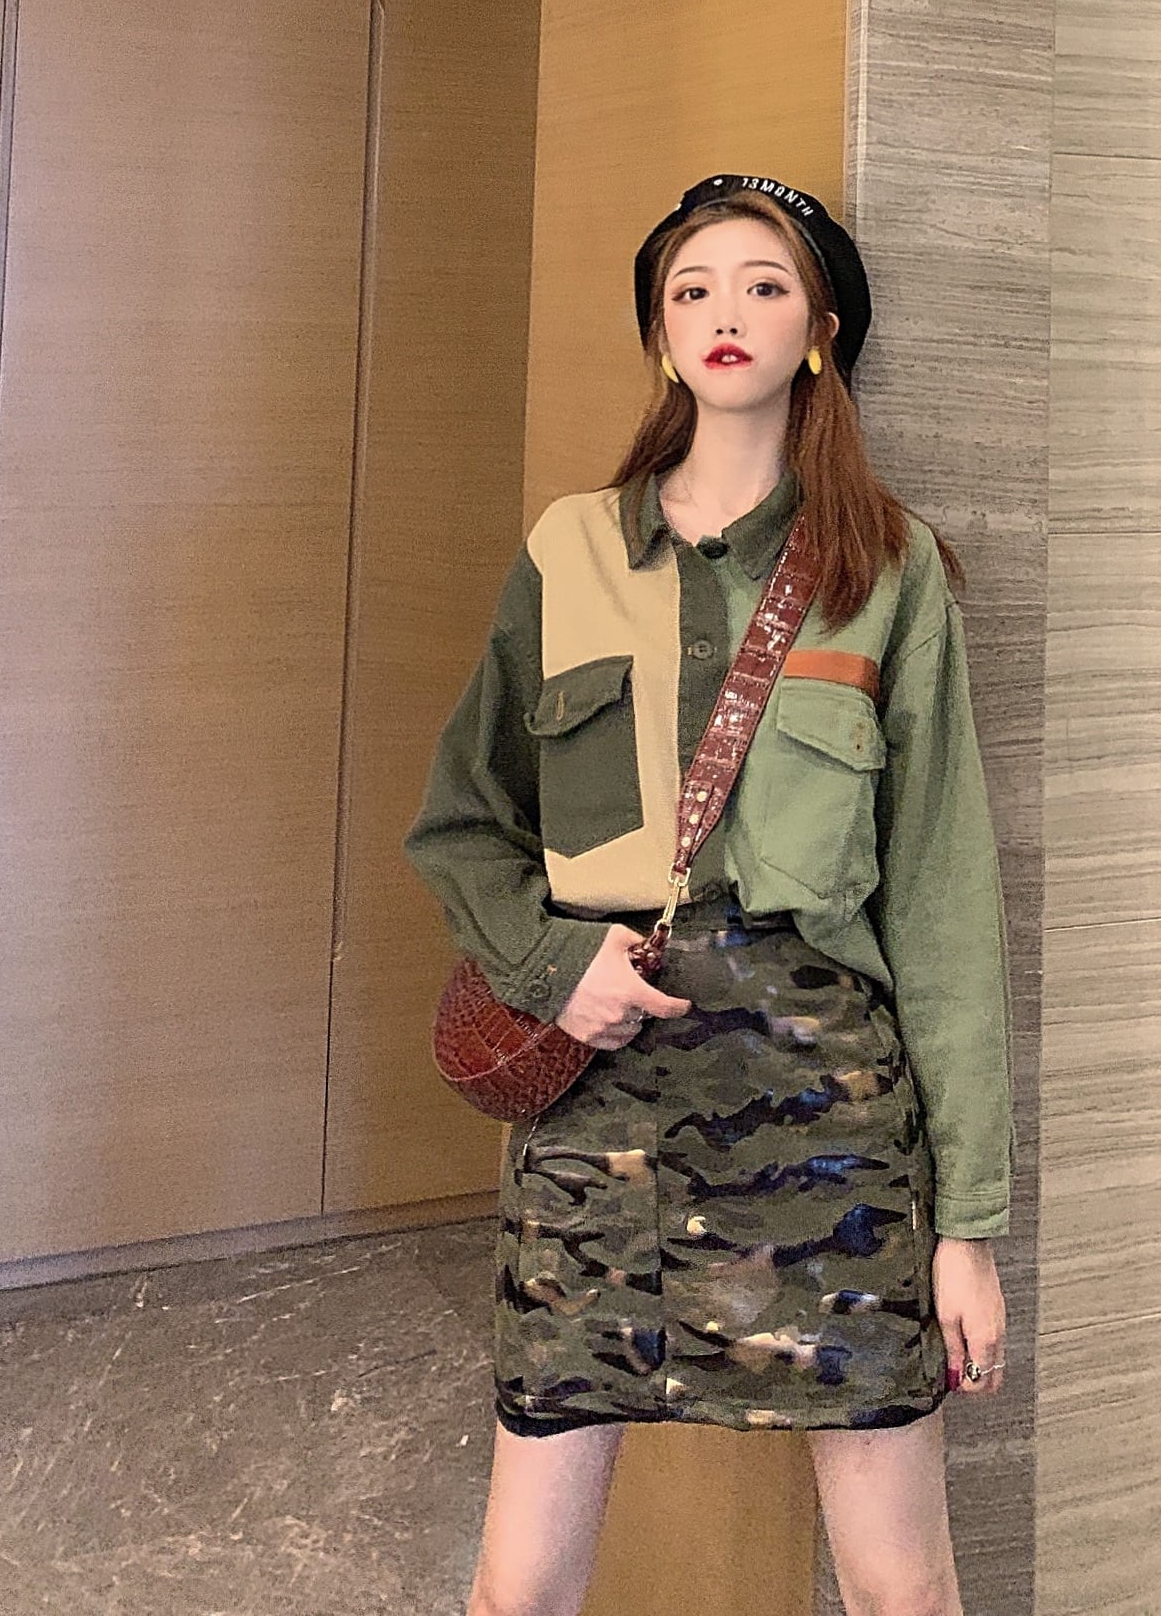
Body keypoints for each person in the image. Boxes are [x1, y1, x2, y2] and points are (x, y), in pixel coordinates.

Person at [404, 174, 1015, 1616]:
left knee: (904, 1587)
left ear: (820, 329)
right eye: (691, 289)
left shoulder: (890, 569)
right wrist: (552, 967)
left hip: (832, 1130)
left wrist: (967, 1223)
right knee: (516, 1587)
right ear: (662, 335)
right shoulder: (568, 550)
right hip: (596, 1114)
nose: (723, 312)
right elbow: (461, 824)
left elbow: (944, 903)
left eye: (763, 284)